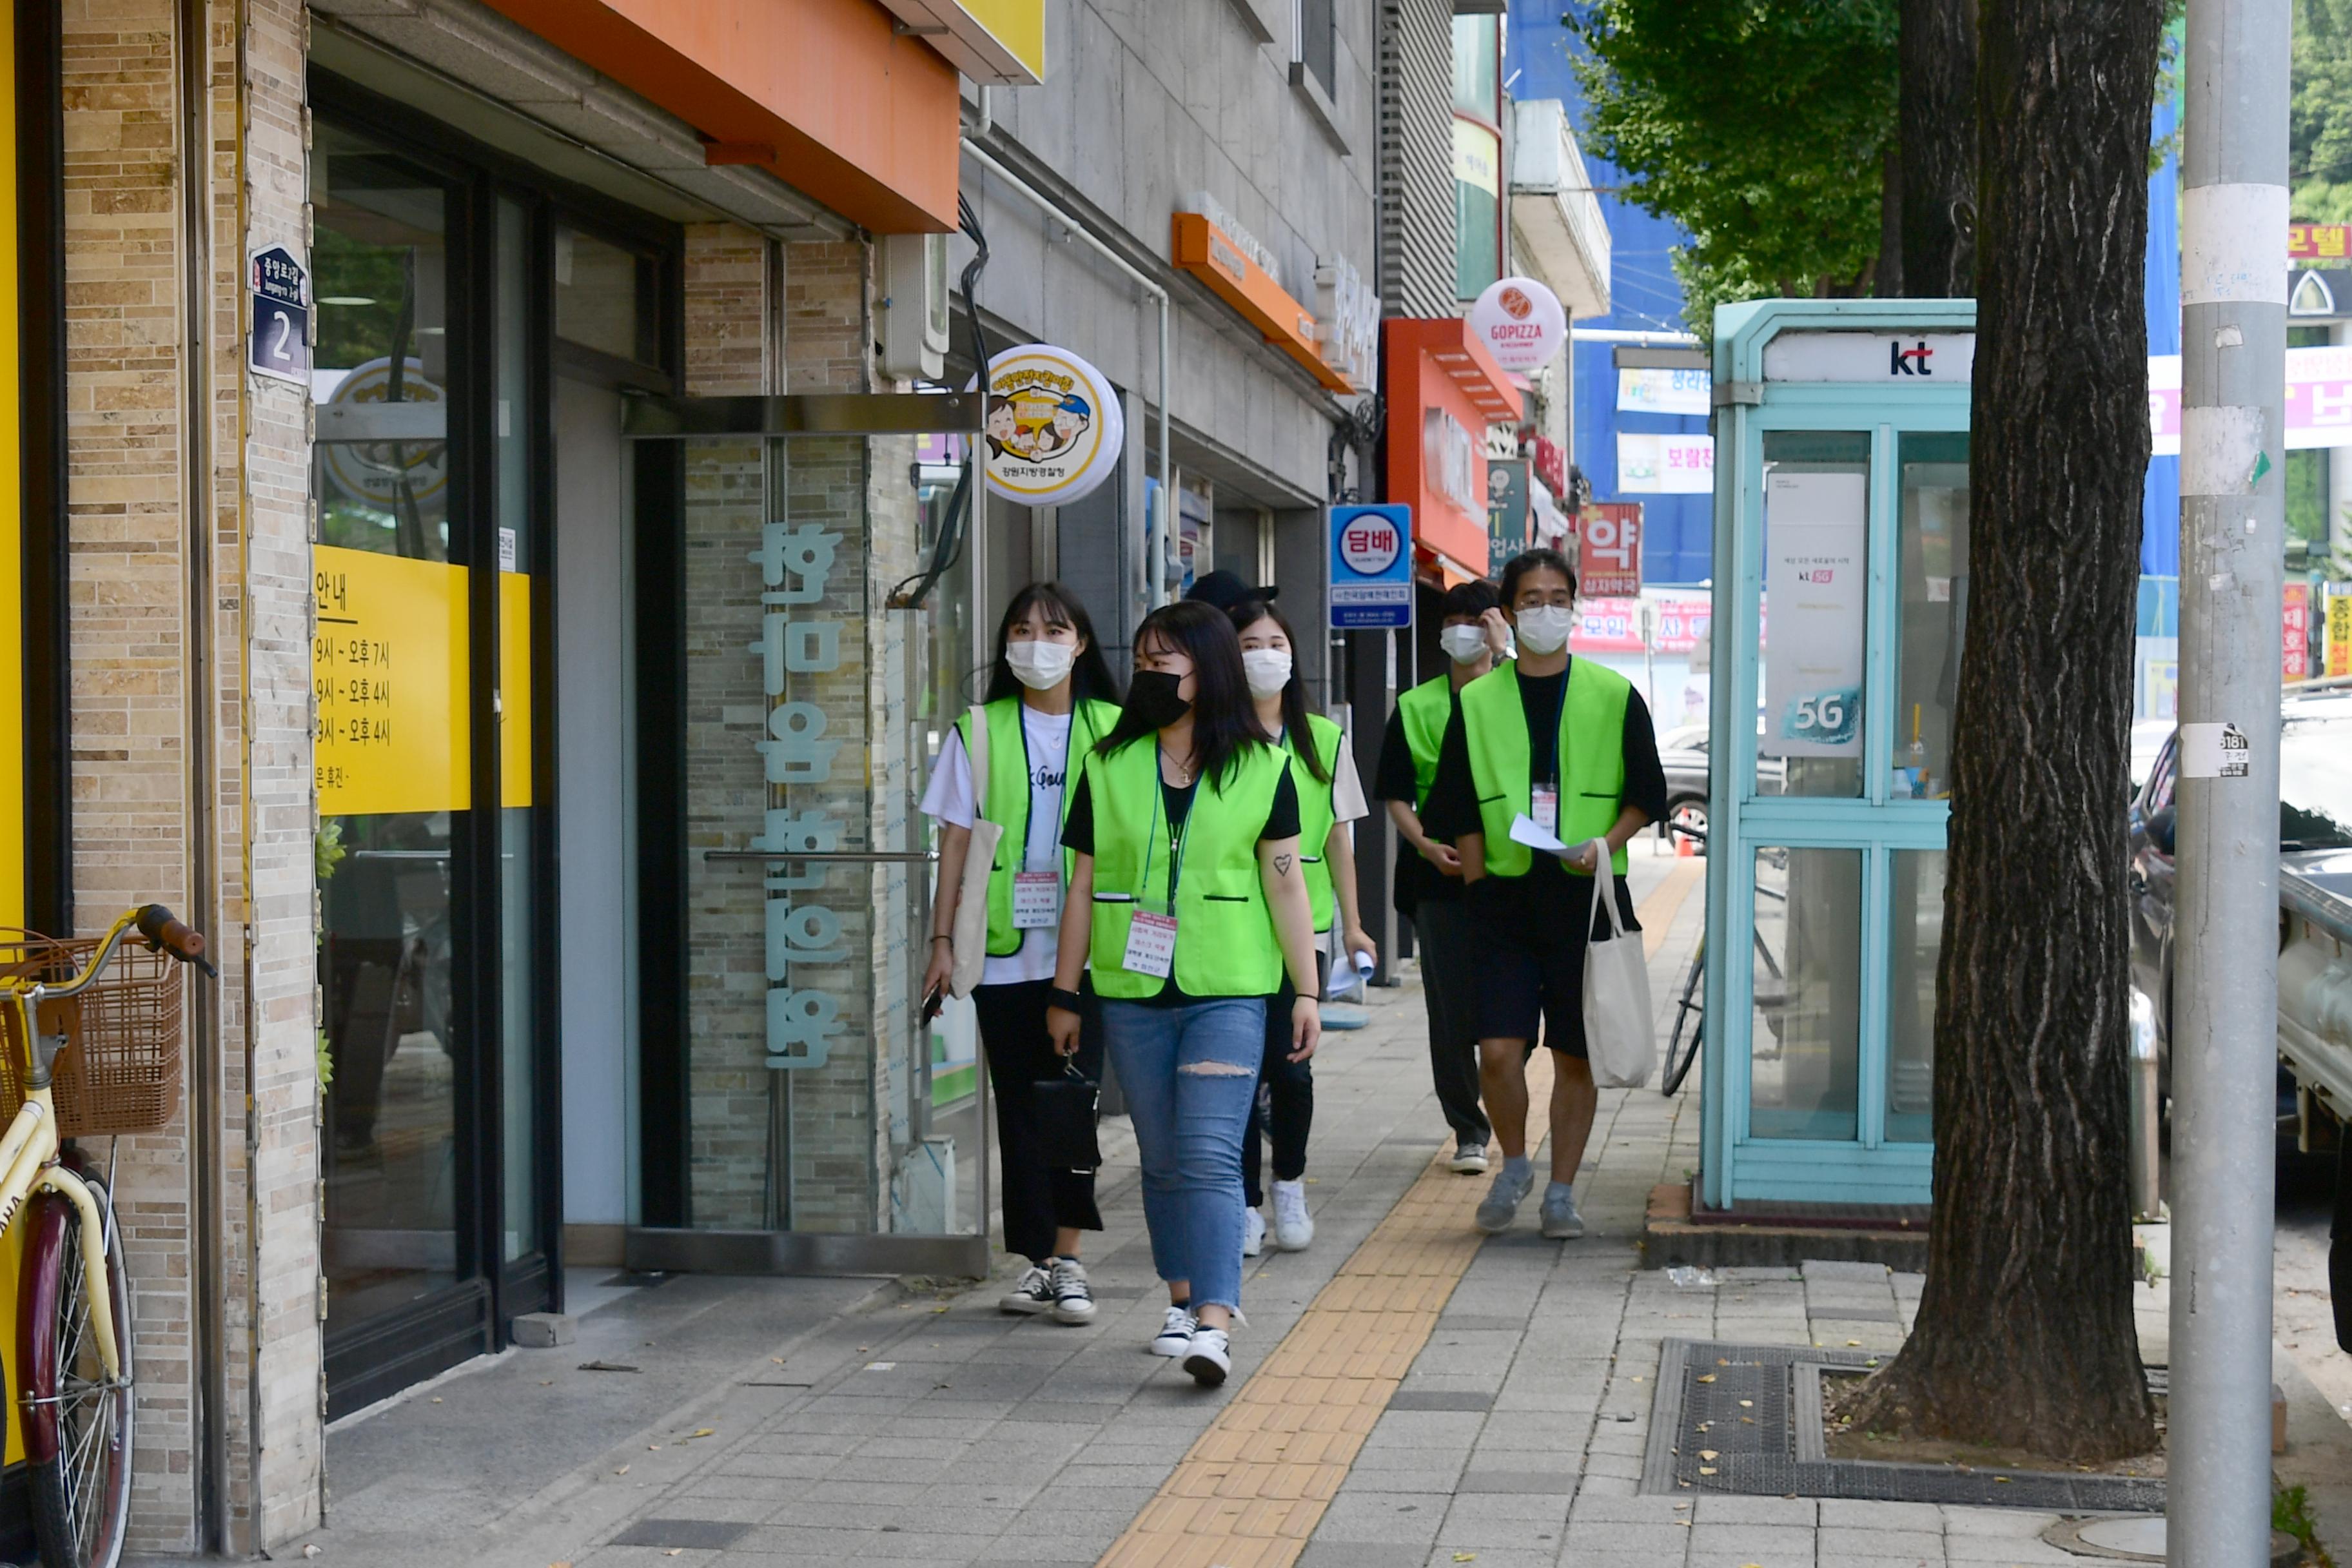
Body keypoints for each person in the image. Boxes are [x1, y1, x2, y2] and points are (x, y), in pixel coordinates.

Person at [1046, 601, 1322, 1387]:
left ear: (1209, 671)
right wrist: (1066, 992)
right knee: (1164, 1158)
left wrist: (1305, 988)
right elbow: (1083, 886)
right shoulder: (1108, 762)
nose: (1148, 673)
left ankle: (1215, 1320)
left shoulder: (1264, 766)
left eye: (1164, 660)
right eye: (1140, 660)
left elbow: (1288, 886)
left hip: (1231, 988)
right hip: (1132, 988)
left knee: (1207, 1153)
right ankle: (1180, 1299)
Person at [1420, 548, 1667, 1239]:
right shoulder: (1477, 700)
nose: (1547, 610)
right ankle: (1515, 1162)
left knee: (1574, 1052)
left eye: (1559, 597)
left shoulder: (1613, 693)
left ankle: (1561, 1189)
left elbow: (1646, 793)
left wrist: (1608, 847)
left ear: (1575, 606)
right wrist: (1475, 885)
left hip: (1584, 899)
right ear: (1509, 610)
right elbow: (1460, 804)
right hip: (1501, 899)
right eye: (1532, 598)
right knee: (1496, 1050)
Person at [921, 583, 1124, 1324]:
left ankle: (1069, 1258)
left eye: (1053, 628)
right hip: (1003, 953)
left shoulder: (1117, 728)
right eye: (1021, 628)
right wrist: (940, 942)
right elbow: (955, 842)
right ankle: (1038, 1260)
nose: (1035, 641)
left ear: (1080, 643)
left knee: (1073, 1105)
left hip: (1091, 956)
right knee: (1019, 1110)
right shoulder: (978, 729)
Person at [1231, 598, 1376, 1255]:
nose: (1264, 656)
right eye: (1249, 644)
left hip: (1303, 932)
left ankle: (1289, 1181)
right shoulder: (1215, 738)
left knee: (1290, 1068)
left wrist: (1354, 924)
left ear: (1293, 655)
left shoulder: (1323, 738)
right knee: (1233, 1070)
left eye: (1275, 643)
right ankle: (1244, 1201)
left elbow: (1341, 839)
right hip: (1230, 929)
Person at [1374, 579, 1511, 1175]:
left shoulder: (1513, 694)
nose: (1463, 632)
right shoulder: (1416, 705)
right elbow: (1396, 792)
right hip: (1438, 875)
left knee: (1505, 1001)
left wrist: (1507, 658)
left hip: (1510, 870)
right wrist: (1425, 845)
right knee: (1451, 1007)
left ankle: (1512, 1114)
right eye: (1454, 621)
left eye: (1476, 621)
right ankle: (1468, 1128)